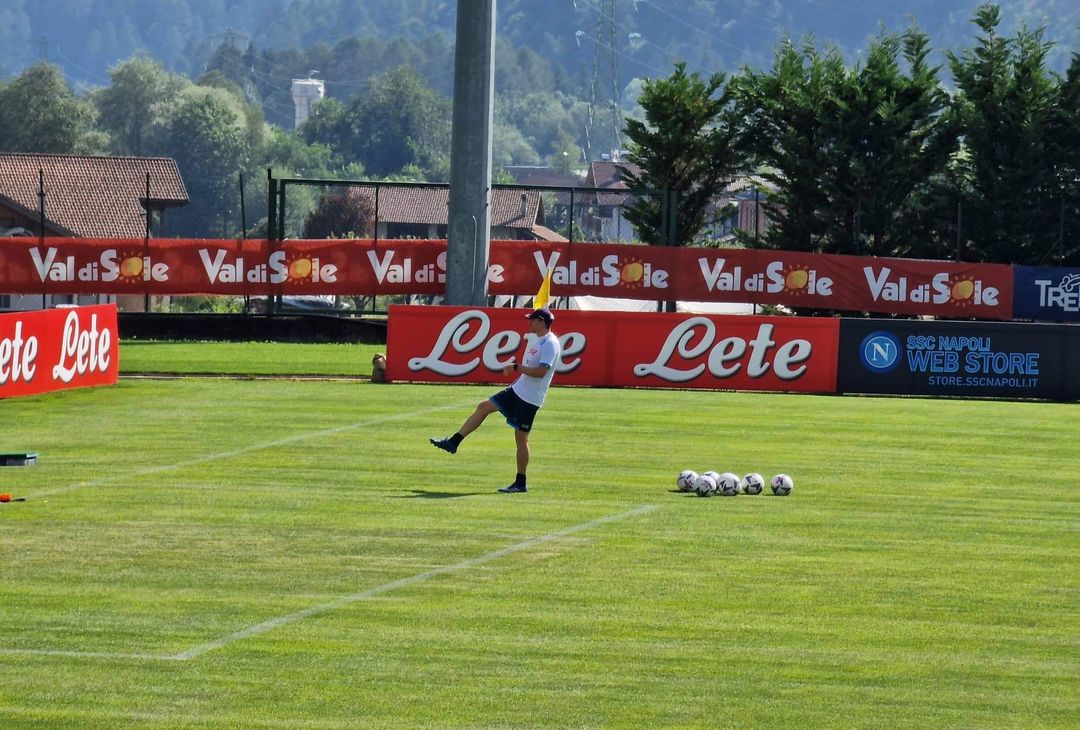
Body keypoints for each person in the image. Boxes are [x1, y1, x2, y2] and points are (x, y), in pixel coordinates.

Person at [430, 308, 561, 493]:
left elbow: (541, 372)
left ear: (541, 321)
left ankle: (520, 482)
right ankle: (453, 442)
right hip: (519, 390)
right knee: (484, 406)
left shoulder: (550, 343)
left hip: (530, 398)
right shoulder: (539, 340)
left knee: (521, 439)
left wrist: (516, 367)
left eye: (531, 319)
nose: (529, 322)